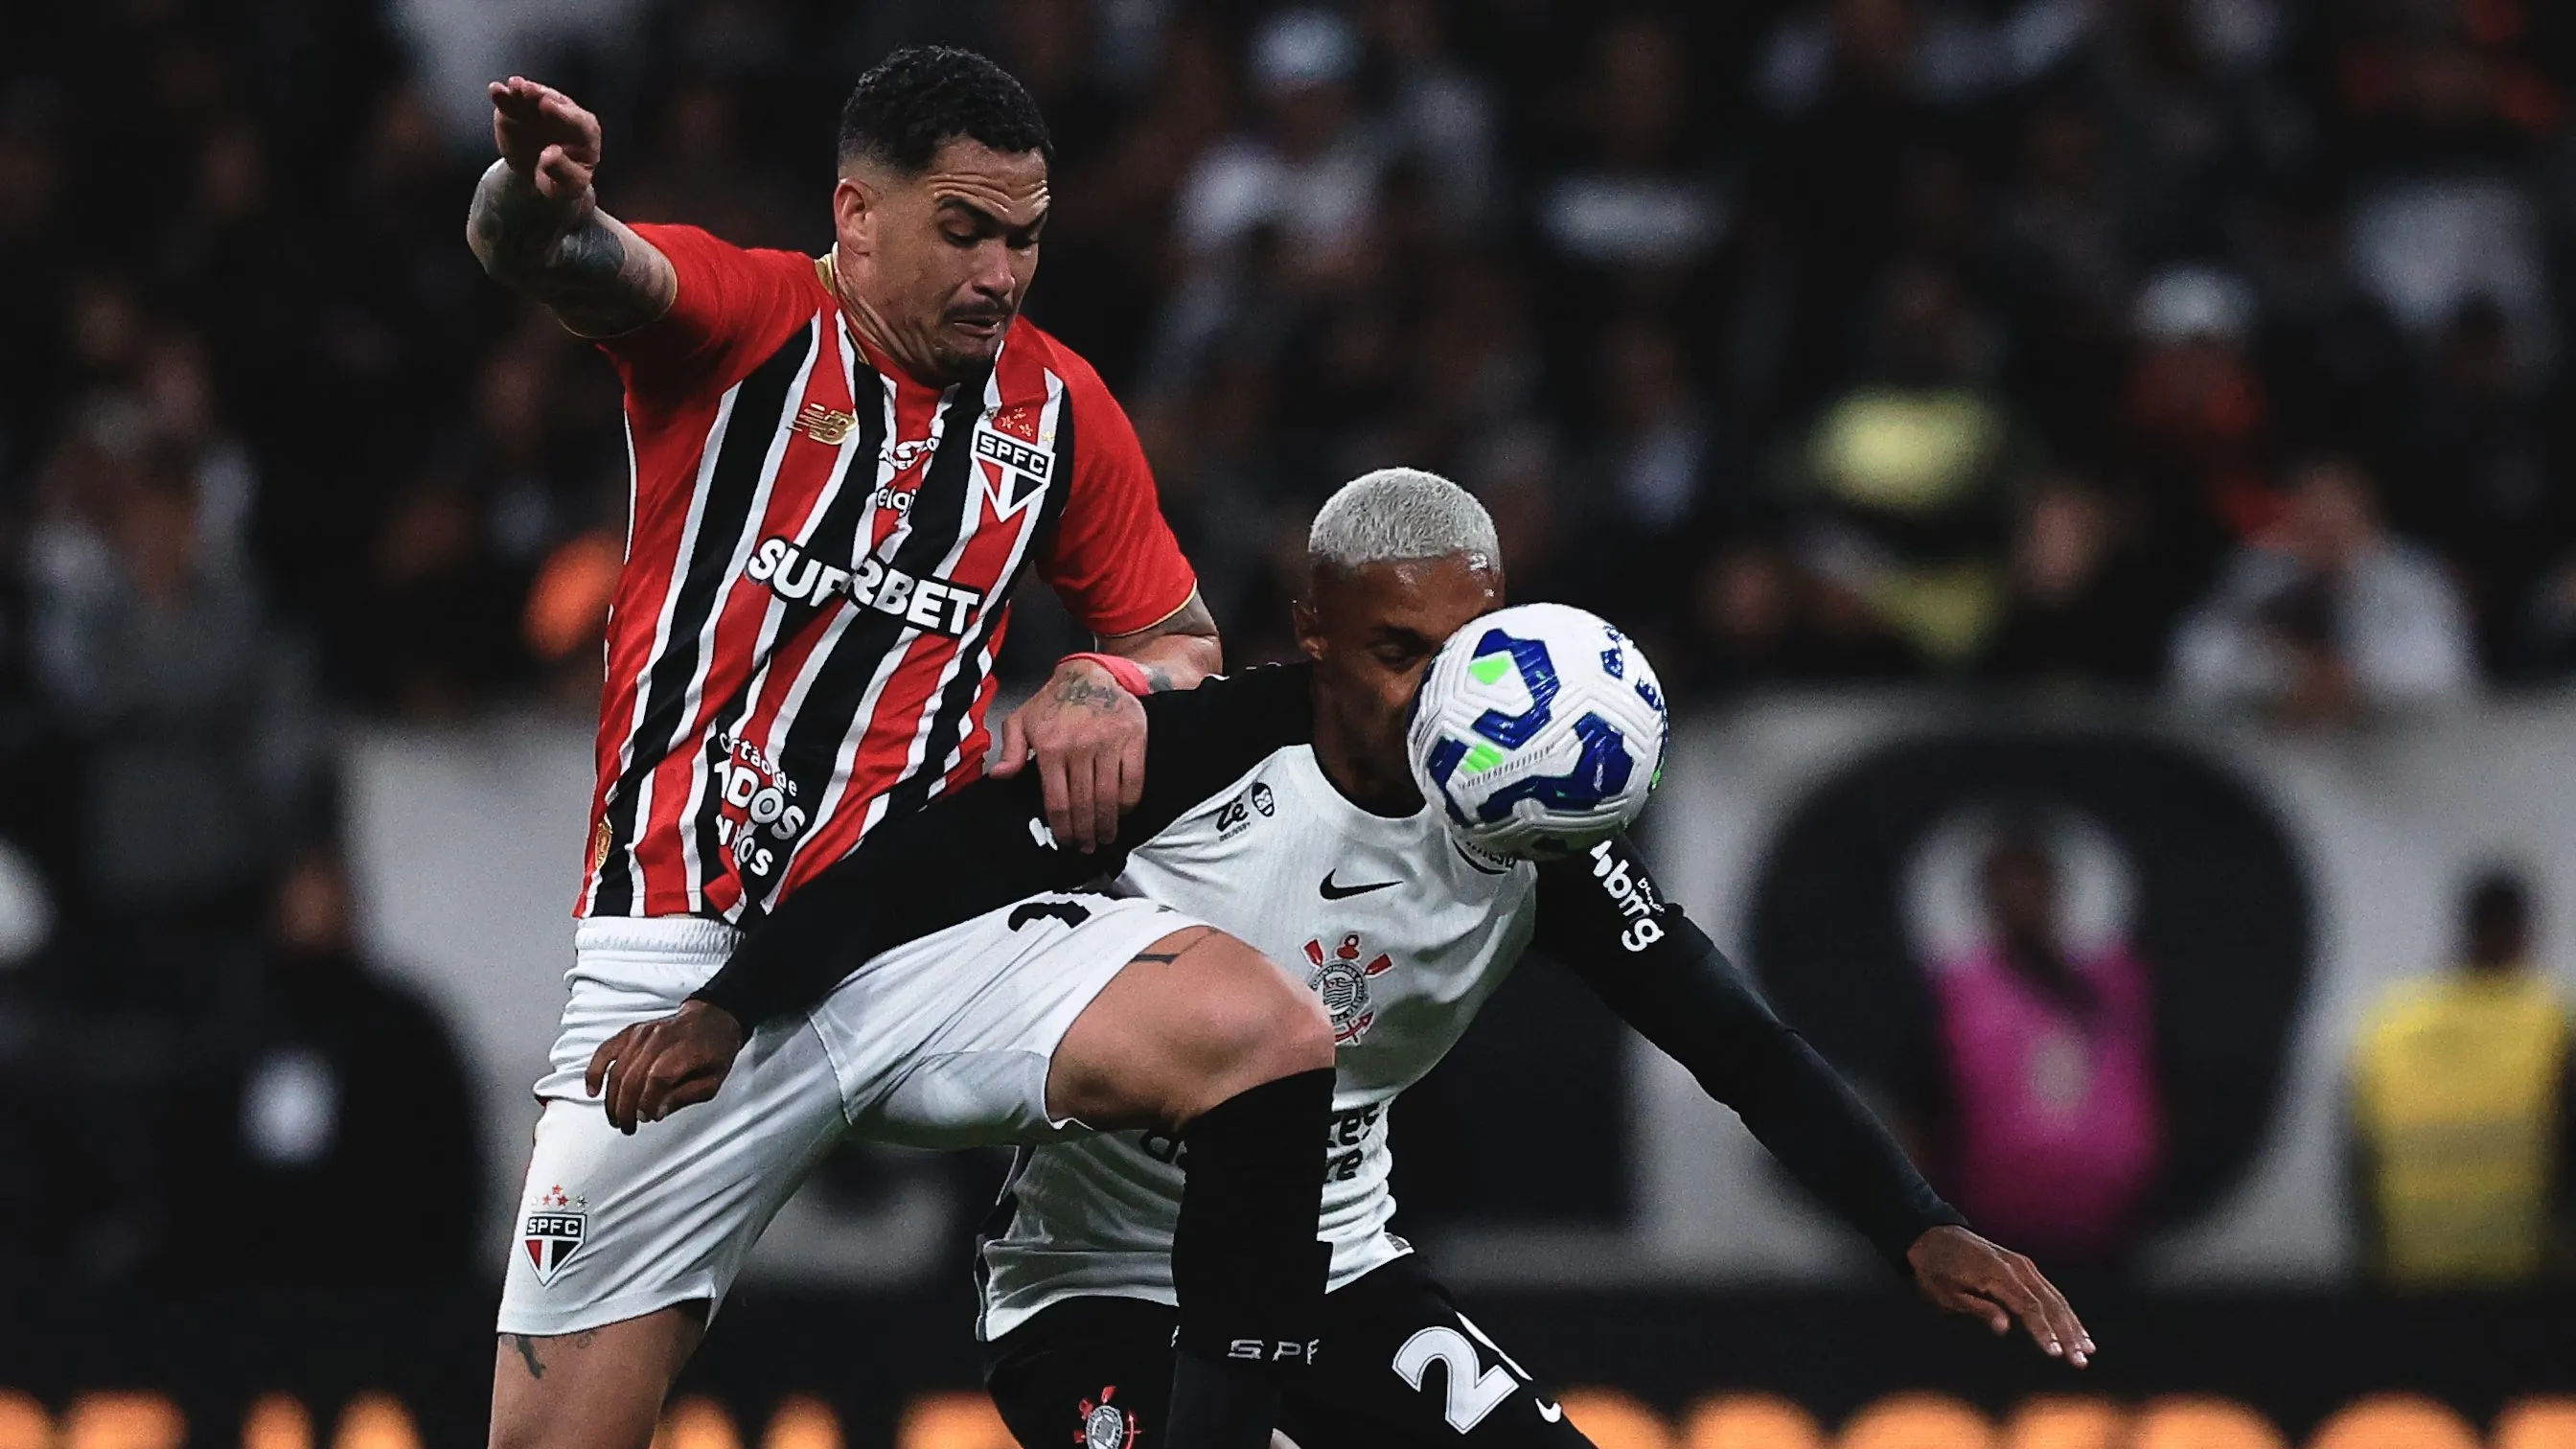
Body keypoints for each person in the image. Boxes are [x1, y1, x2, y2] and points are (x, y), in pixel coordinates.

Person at [611, 470, 2095, 1449]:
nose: (1435, 688)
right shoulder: (1184, 761)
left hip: (1337, 1273)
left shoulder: (1530, 835)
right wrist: (736, 1003)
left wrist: (1918, 1227)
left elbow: (1740, 1045)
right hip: (1096, 1292)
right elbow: (930, 861)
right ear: (1312, 628)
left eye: (1465, 646)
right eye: (1396, 650)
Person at [466, 48, 1341, 1449]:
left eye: (1026, 237)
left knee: (1266, 1031)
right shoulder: (747, 320)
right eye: (966, 231)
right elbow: (568, 259)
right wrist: (532, 198)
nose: (1002, 273)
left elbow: (1181, 637)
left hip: (929, 934)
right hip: (683, 958)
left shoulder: (1056, 410)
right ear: (855, 217)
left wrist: (1104, 681)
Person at [1917, 821, 2164, 1273]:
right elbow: (1919, 1104)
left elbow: (2163, 1084)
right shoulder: (1954, 992)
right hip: (1989, 1232)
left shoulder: (2118, 984)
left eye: (2032, 879)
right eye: (2005, 882)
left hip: (2109, 1235)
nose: (2020, 895)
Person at [2350, 871, 2575, 1286]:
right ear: (2523, 933)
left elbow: (2357, 1170)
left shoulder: (2388, 1025)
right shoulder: (2550, 1024)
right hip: (2524, 1286)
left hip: (2408, 1282)